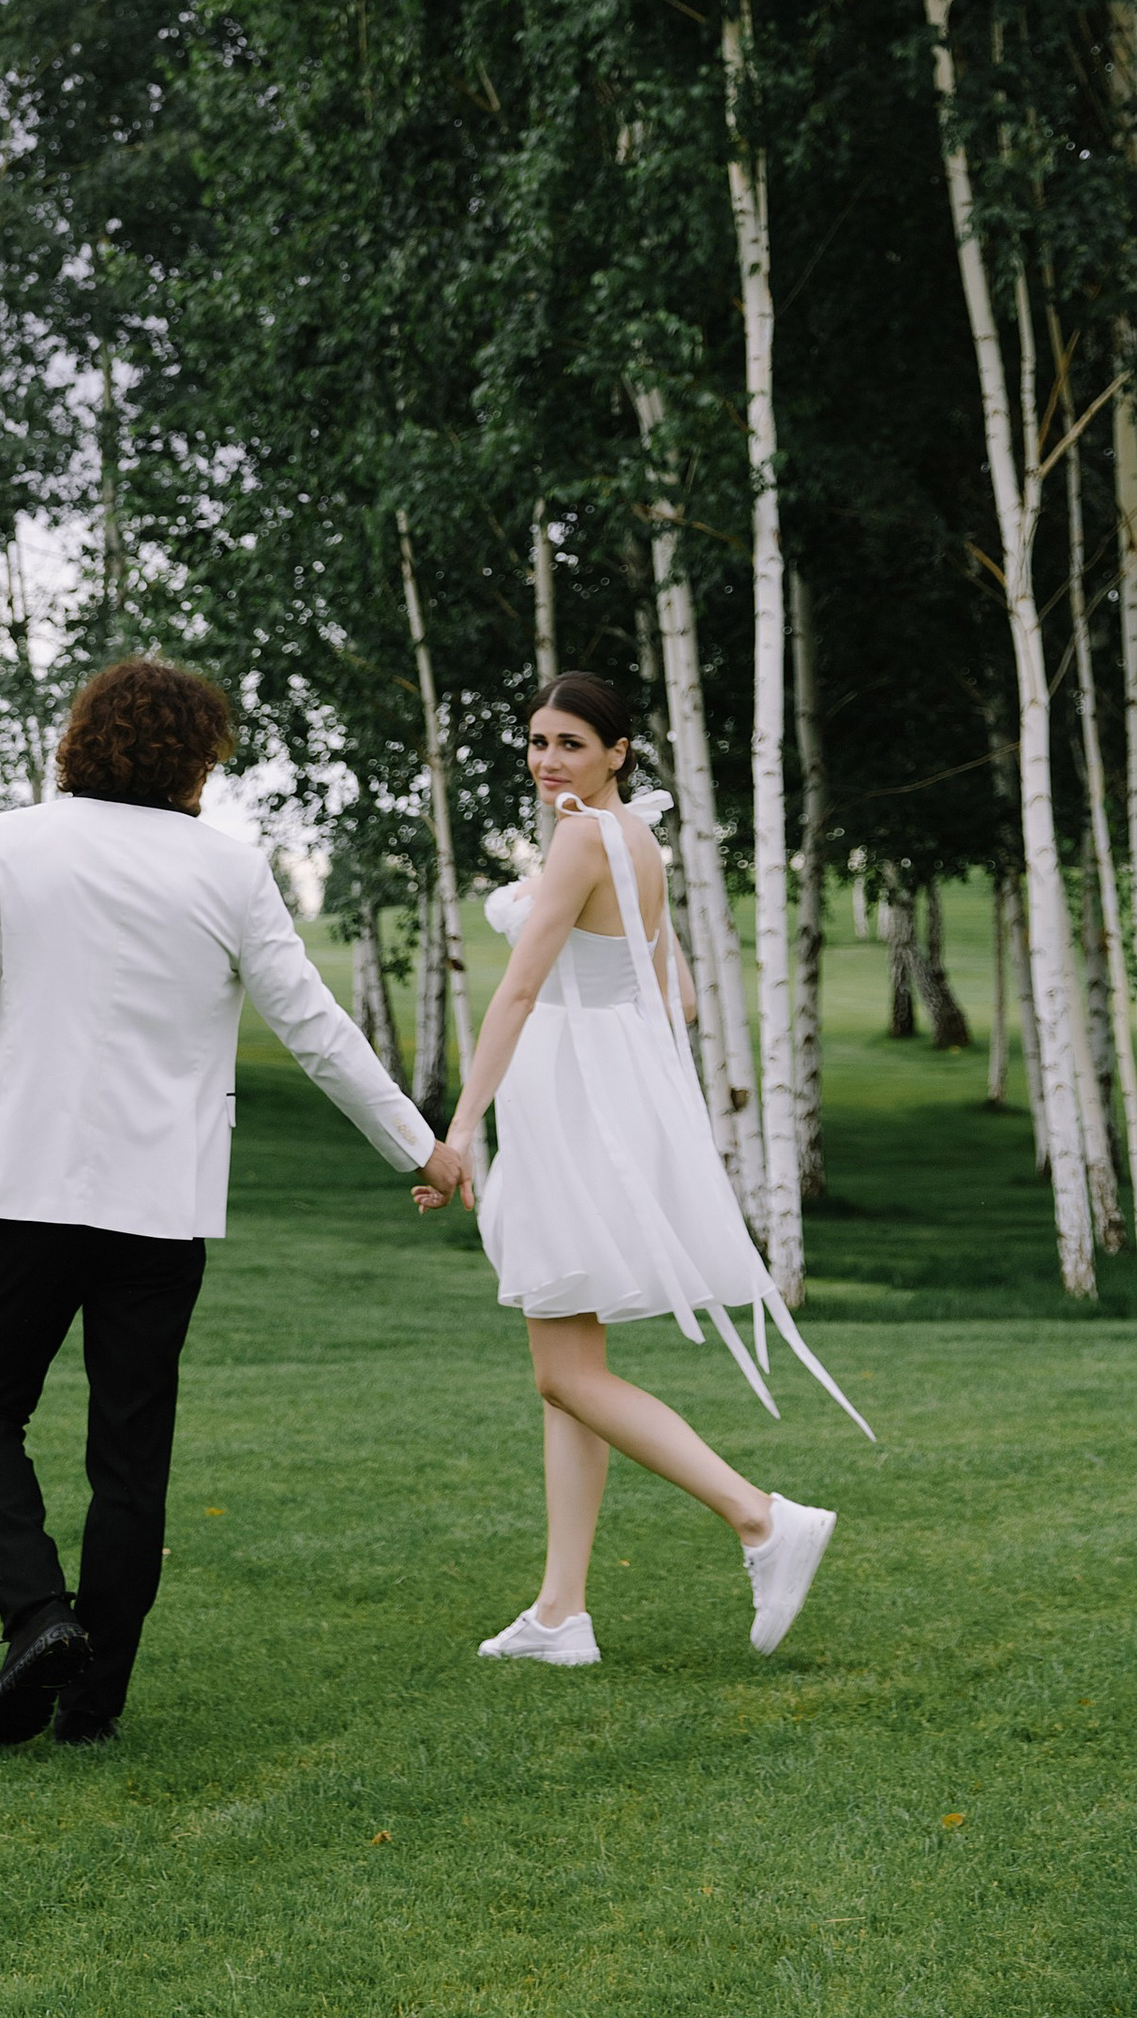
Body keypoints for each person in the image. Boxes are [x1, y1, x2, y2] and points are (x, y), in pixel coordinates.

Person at [0, 658, 469, 1749]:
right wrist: (421, 1148)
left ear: (78, 743)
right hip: (159, 1207)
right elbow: (316, 1029)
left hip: (27, 1189)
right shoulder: (228, 872)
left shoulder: (10, 844)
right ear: (198, 759)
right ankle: (93, 1700)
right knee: (129, 1455)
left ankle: (39, 1614)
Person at [428, 670, 873, 1670]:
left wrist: (459, 1127)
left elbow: (514, 995)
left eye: (570, 744)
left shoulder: (582, 837)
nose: (547, 760)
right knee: (568, 1375)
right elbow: (672, 1001)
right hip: (600, 1097)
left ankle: (759, 1518)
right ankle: (559, 1615)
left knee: (561, 1368)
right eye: (537, 742)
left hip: (569, 1103)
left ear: (617, 751)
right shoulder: (635, 839)